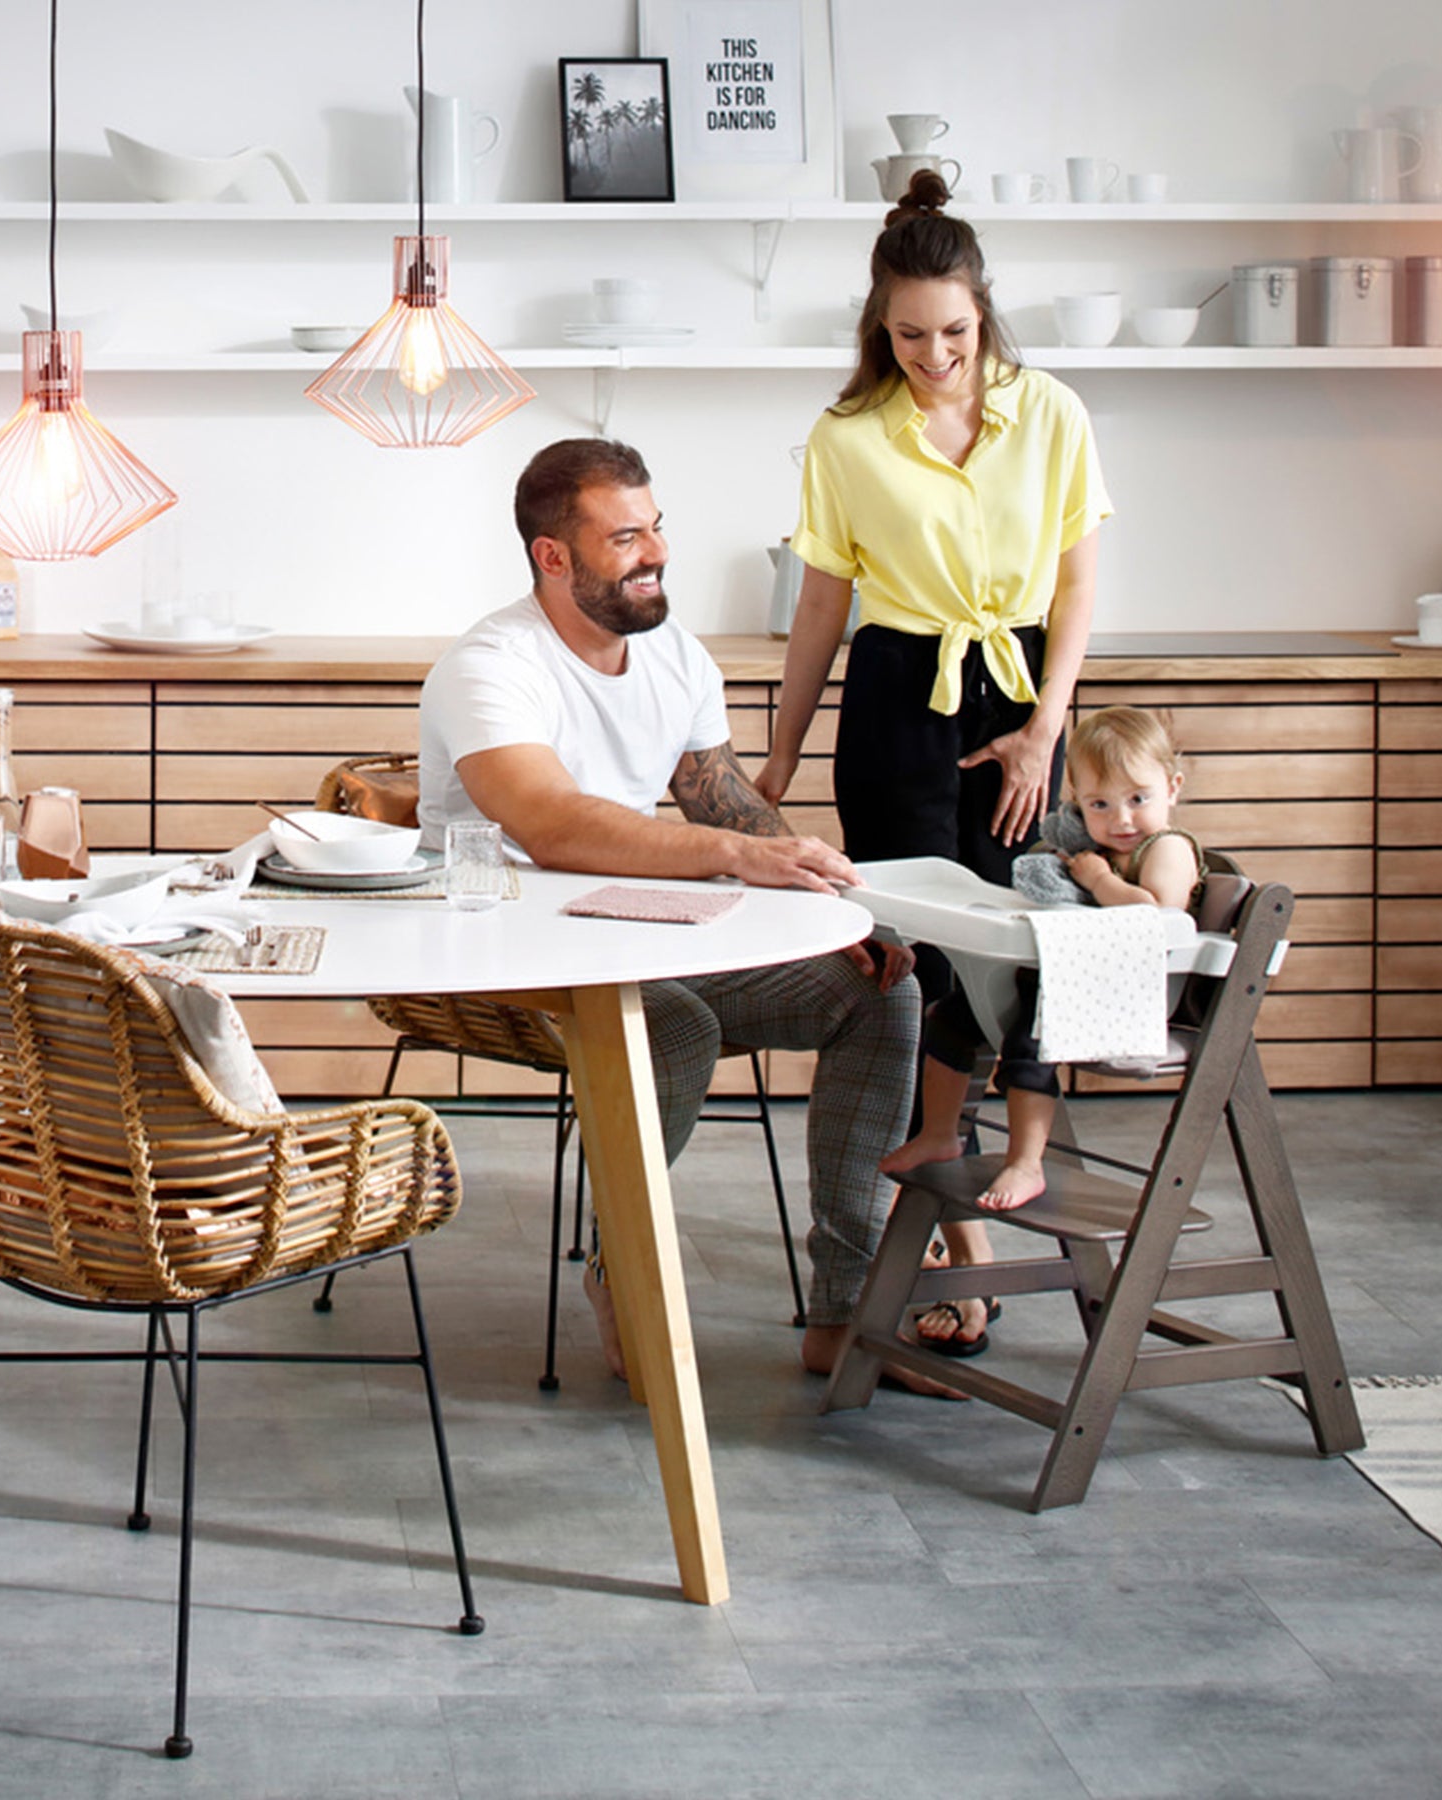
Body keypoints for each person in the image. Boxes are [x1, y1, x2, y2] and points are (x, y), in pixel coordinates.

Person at [417, 437, 930, 1386]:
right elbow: (552, 824)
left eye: (656, 528)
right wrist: (738, 856)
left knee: (879, 991)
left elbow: (721, 801)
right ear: (553, 556)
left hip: (640, 932)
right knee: (676, 1026)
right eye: (625, 538)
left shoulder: (676, 655)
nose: (655, 553)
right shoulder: (488, 666)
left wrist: (835, 913)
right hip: (501, 953)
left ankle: (849, 1312)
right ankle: (622, 1268)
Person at [754, 167, 1113, 1354]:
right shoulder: (847, 435)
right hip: (899, 699)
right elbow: (822, 605)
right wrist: (781, 754)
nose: (935, 356)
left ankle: (1002, 1169)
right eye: (910, 336)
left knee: (1014, 946)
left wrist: (1048, 726)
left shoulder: (1050, 412)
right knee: (916, 960)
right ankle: (960, 1246)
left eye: (953, 331)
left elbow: (1077, 583)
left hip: (1019, 692)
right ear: (880, 324)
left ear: (983, 310)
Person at [881, 707, 1208, 1351]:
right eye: (1099, 805)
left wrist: (1099, 879)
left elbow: (1157, 917)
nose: (1121, 819)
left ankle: (1026, 1161)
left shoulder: (1165, 849)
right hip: (1070, 974)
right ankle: (941, 1135)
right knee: (952, 1019)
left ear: (1173, 788)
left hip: (1129, 995)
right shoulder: (1093, 847)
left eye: (1138, 799)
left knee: (1028, 1043)